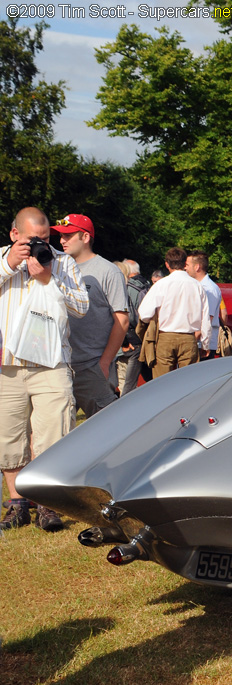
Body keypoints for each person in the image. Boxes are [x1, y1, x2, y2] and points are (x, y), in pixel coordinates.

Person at [0, 207, 89, 532]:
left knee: (54, 433)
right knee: (9, 436)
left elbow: (81, 308)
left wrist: (49, 278)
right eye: (31, 239)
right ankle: (17, 504)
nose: (40, 245)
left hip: (52, 364)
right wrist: (10, 264)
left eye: (45, 239)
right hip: (7, 364)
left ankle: (47, 506)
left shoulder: (62, 263)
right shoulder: (3, 258)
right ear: (14, 235)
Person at [53, 213, 129, 417]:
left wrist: (104, 363)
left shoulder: (108, 271)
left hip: (91, 367)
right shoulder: (57, 268)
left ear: (85, 237)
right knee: (55, 436)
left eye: (68, 235)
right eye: (60, 236)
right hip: (60, 366)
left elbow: (122, 320)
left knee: (107, 432)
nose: (61, 241)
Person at [137, 247, 211, 377]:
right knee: (189, 383)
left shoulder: (161, 284)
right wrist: (205, 343)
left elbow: (144, 313)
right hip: (189, 338)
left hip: (165, 338)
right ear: (184, 264)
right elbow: (205, 317)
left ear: (167, 264)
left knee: (162, 383)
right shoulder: (197, 285)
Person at [116, 259, 150, 395]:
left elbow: (125, 317)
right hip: (142, 339)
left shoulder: (127, 289)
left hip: (128, 341)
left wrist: (124, 339)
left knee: (125, 383)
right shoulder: (147, 285)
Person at [185, 251, 221, 358]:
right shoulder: (198, 286)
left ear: (197, 267)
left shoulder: (209, 289)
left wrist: (191, 341)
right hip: (197, 342)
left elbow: (206, 319)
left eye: (187, 265)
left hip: (202, 345)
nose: (185, 268)